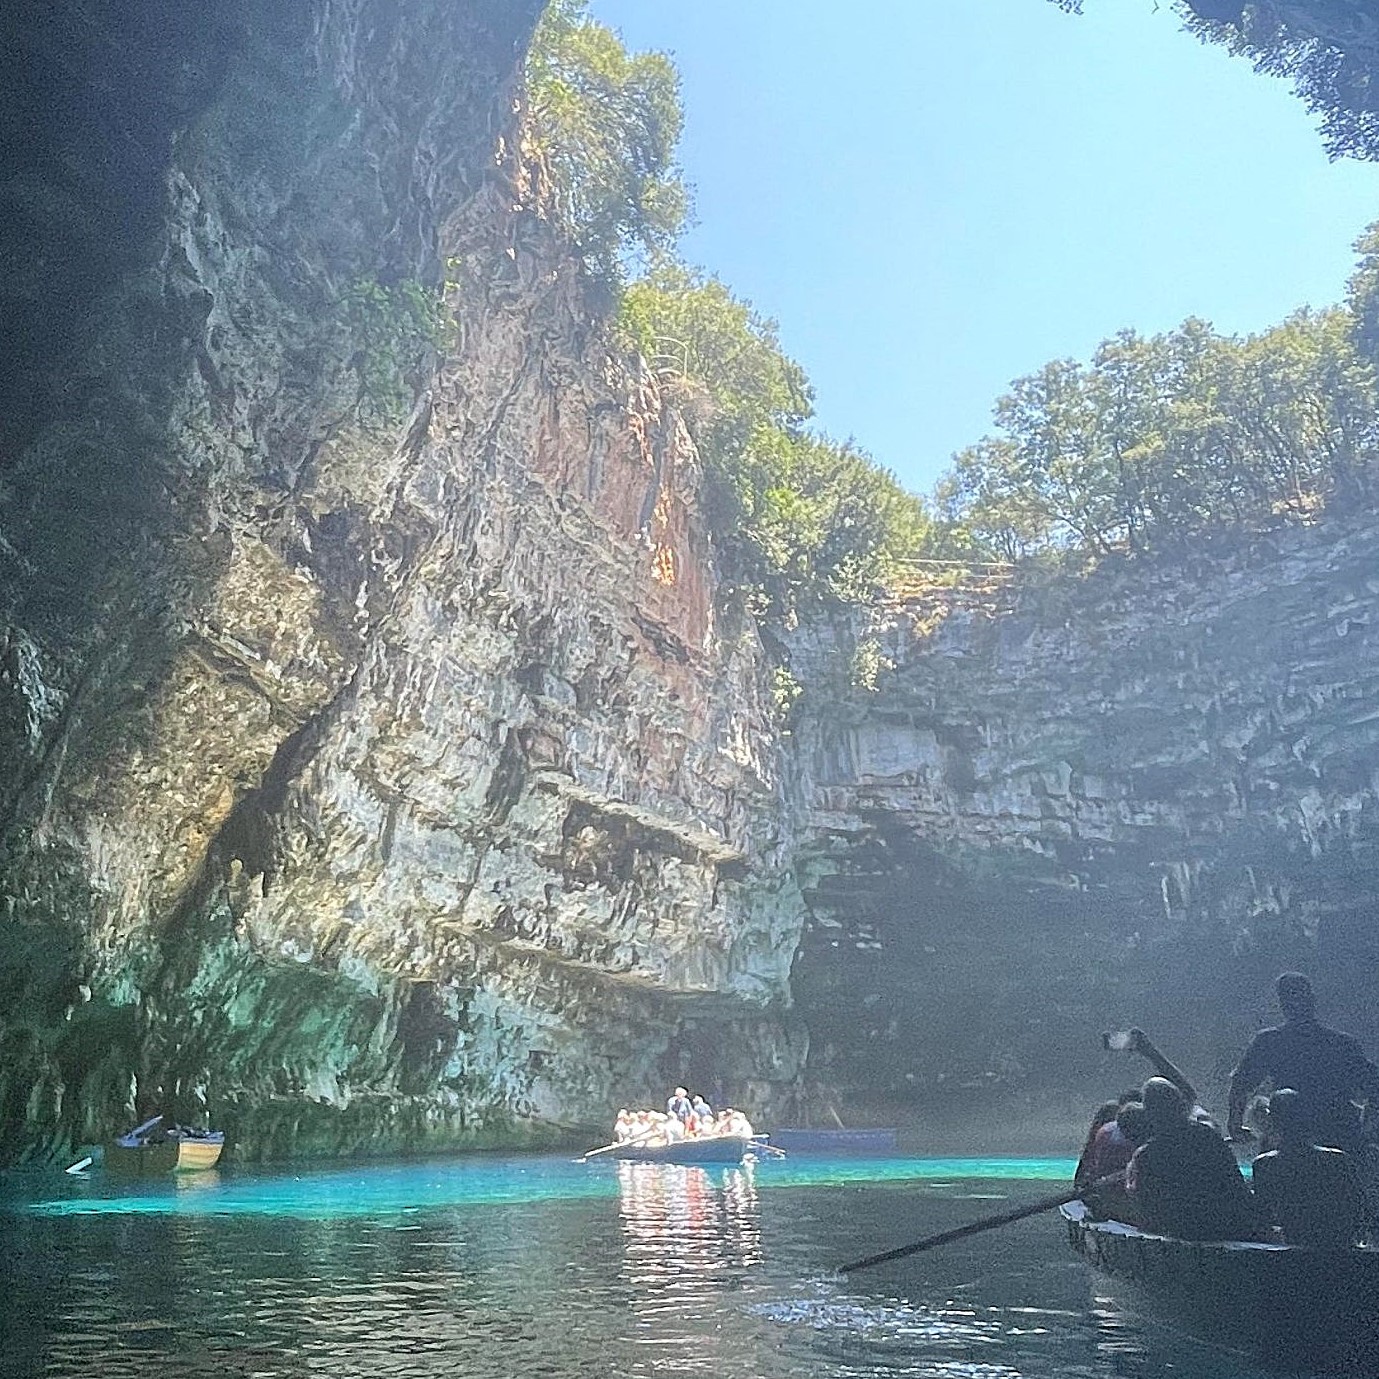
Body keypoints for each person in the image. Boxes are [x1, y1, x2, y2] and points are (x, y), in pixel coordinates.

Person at [1227, 973, 1379, 1153]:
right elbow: (1374, 1087)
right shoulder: (1341, 1043)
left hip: (1291, 1138)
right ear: (1313, 1000)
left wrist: (1235, 1125)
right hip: (1341, 1136)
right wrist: (1368, 1130)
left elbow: (1241, 1085)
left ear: (1281, 1004)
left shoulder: (1270, 1042)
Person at [1127, 1078, 1261, 1241]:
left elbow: (1150, 1213)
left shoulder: (1147, 1156)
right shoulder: (1208, 1136)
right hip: (1230, 1227)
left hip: (1186, 1235)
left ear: (1149, 1115)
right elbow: (1237, 1187)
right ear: (1181, 1106)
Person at [1251, 1088, 1366, 1247]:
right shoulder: (1337, 1160)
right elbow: (1356, 1208)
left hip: (1295, 1248)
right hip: (1338, 1247)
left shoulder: (1265, 1165)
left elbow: (1263, 1216)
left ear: (1271, 1120)